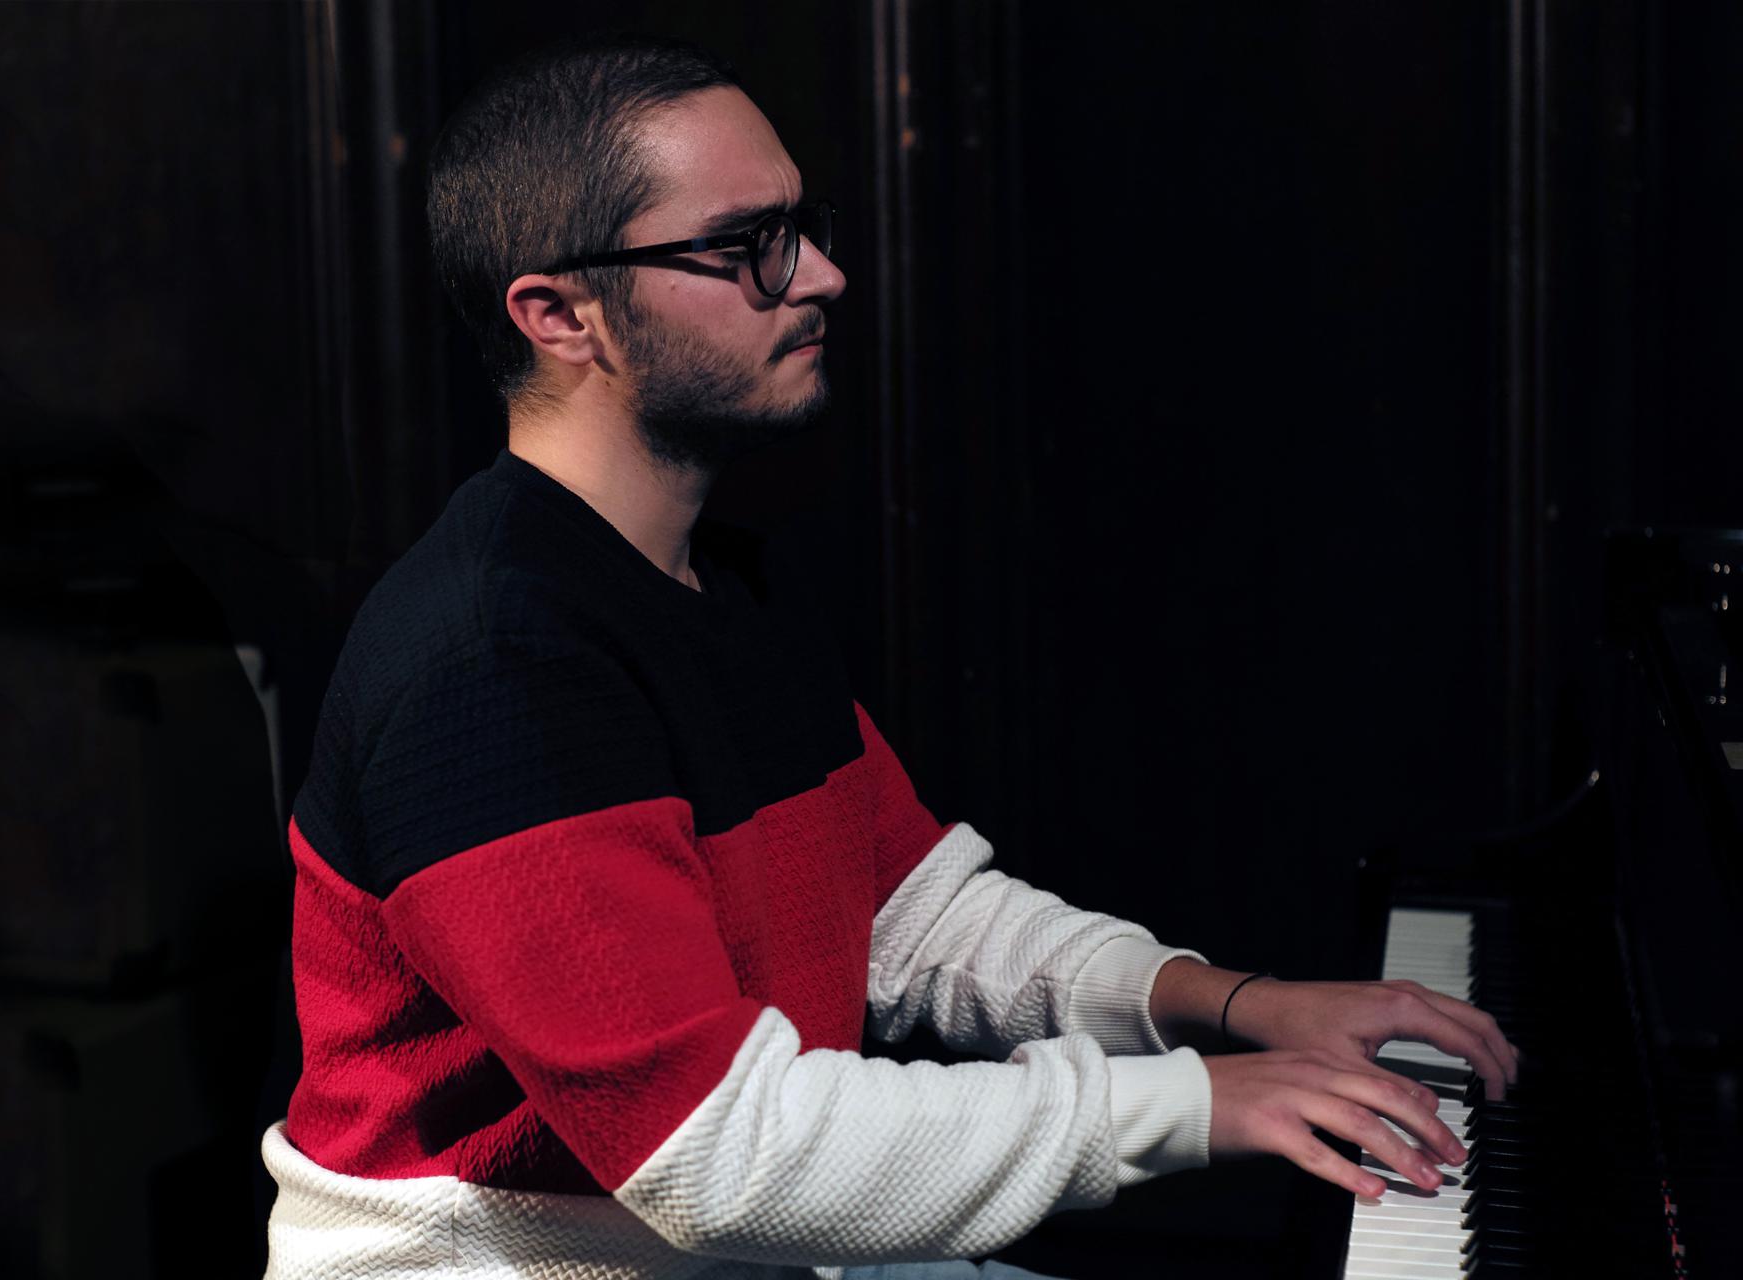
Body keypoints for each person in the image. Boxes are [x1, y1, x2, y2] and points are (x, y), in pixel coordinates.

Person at [259, 32, 1521, 1280]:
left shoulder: (714, 579)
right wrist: (1198, 1099)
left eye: (803, 227)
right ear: (561, 315)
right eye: (746, 246)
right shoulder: (490, 663)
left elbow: (914, 919)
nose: (822, 274)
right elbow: (718, 1152)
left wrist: (1229, 1001)